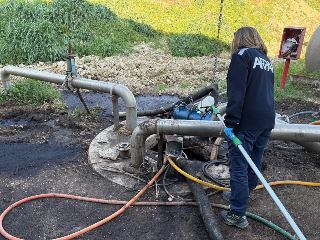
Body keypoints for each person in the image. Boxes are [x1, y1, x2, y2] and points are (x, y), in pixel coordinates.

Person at [221, 26, 275, 228]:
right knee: (254, 163)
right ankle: (239, 197)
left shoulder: (241, 56)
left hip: (247, 122)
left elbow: (237, 92)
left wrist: (231, 122)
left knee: (239, 167)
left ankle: (237, 214)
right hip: (266, 122)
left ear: (239, 39)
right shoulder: (266, 61)